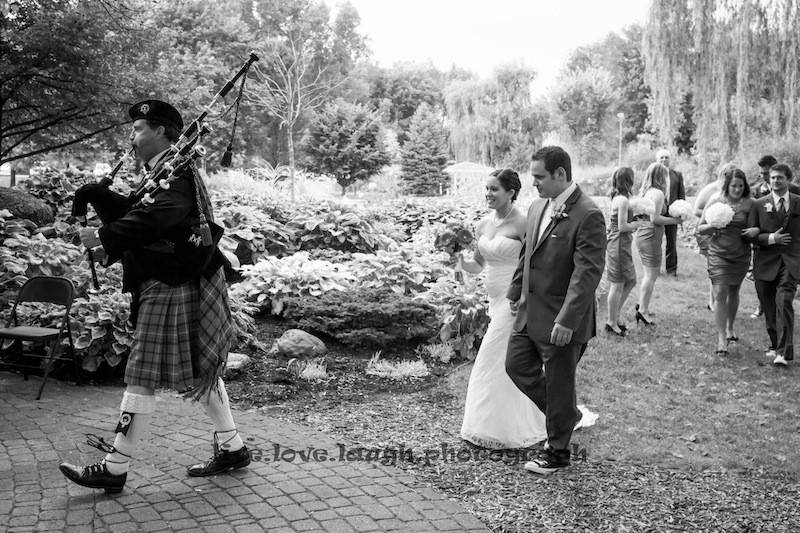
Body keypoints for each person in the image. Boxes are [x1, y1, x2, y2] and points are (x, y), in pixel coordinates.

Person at [59, 100, 251, 494]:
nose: (132, 137)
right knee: (201, 368)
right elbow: (138, 209)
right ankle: (233, 447)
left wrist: (104, 236)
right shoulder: (164, 170)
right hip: (173, 280)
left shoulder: (177, 173)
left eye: (138, 129)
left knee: (141, 372)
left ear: (161, 132)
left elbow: (156, 218)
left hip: (176, 282)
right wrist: (96, 194)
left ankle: (115, 467)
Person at [459, 169, 597, 449]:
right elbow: (477, 265)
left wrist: (524, 296)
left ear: (511, 192)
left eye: (494, 189)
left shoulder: (524, 222)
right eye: (486, 189)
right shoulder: (482, 225)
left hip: (516, 303)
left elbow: (536, 262)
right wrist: (457, 259)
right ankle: (514, 420)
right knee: (504, 364)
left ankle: (508, 426)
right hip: (495, 300)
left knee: (494, 359)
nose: (488, 194)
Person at [505, 146, 606, 474]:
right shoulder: (536, 207)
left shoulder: (588, 214)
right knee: (516, 366)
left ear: (560, 174)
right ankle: (565, 415)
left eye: (539, 177)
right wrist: (514, 290)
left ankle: (557, 452)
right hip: (529, 310)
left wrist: (567, 320)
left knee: (560, 383)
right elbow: (528, 255)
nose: (533, 183)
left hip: (562, 318)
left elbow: (587, 273)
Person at [745, 163, 800, 367]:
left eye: (780, 178)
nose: (775, 181)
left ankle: (783, 354)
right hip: (765, 262)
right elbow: (750, 235)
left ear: (789, 180)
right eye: (773, 177)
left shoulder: (798, 203)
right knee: (769, 308)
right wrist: (770, 238)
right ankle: (777, 345)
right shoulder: (758, 205)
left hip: (791, 261)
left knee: (784, 300)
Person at [696, 167, 753, 355]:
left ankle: (730, 328)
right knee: (720, 292)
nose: (737, 189)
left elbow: (756, 227)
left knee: (735, 291)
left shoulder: (749, 204)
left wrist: (754, 231)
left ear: (744, 186)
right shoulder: (716, 200)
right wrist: (712, 225)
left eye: (740, 186)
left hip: (740, 254)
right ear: (727, 186)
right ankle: (721, 339)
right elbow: (700, 228)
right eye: (733, 186)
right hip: (718, 253)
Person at [634, 162, 681, 326]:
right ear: (662, 177)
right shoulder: (659, 194)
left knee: (648, 274)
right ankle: (643, 311)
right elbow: (656, 219)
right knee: (651, 275)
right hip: (651, 236)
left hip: (643, 234)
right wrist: (675, 220)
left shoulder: (646, 192)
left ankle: (643, 305)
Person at [605, 167, 644, 336]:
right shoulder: (621, 200)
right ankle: (611, 322)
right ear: (628, 180)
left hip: (623, 244)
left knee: (631, 280)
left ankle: (615, 315)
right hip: (618, 245)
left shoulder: (620, 198)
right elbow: (622, 227)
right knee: (618, 283)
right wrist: (637, 224)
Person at [693, 164, 735, 312]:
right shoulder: (711, 190)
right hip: (708, 231)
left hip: (724, 233)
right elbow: (697, 211)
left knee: (723, 268)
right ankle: (712, 301)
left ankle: (720, 300)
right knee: (716, 268)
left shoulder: (734, 192)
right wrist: (716, 218)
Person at [656, 149, 686, 276]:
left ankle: (671, 270)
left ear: (670, 159)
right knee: (656, 241)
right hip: (658, 211)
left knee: (671, 242)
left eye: (666, 157)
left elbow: (681, 195)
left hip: (673, 212)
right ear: (657, 160)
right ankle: (654, 268)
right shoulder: (655, 175)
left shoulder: (677, 175)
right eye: (661, 157)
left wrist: (682, 211)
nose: (664, 160)